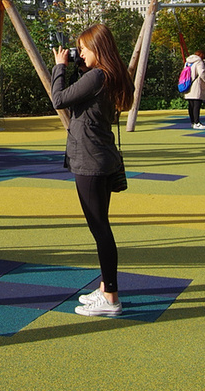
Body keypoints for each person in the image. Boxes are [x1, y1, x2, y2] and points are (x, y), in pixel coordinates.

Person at [51, 23, 134, 318]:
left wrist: (60, 68)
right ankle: (105, 288)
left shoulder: (98, 76)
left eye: (84, 49)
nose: (80, 54)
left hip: (91, 160)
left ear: (98, 50)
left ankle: (110, 296)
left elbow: (58, 100)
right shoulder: (110, 75)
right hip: (101, 155)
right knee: (101, 225)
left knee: (100, 228)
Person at [183, 49, 205, 129]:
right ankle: (197, 122)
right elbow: (202, 73)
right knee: (197, 104)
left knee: (191, 105)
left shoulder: (187, 62)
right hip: (197, 85)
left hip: (188, 84)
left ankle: (193, 122)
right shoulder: (199, 62)